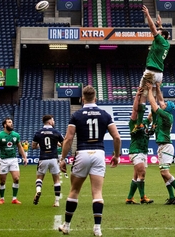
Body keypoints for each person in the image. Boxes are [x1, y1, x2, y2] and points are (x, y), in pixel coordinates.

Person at [57, 85, 121, 237]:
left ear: (82, 99)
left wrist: (62, 158)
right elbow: (117, 137)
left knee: (74, 190)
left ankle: (66, 226)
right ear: (96, 98)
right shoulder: (105, 114)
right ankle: (97, 229)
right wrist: (116, 155)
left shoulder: (77, 115)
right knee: (97, 192)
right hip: (99, 153)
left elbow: (68, 138)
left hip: (82, 153)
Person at [148, 82, 175, 205]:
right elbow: (159, 99)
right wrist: (157, 88)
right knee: (163, 173)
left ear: (167, 108)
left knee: (165, 172)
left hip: (166, 146)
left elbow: (154, 104)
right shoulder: (162, 114)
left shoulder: (167, 116)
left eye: (164, 104)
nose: (162, 103)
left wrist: (149, 90)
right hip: (161, 146)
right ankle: (171, 196)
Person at [0, 116, 29, 205]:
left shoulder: (16, 135)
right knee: (2, 181)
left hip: (13, 159)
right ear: (5, 125)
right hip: (3, 160)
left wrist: (24, 157)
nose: (11, 124)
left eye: (11, 122)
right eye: (9, 122)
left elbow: (19, 147)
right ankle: (2, 198)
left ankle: (14, 198)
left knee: (16, 178)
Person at [126, 86, 153, 205]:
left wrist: (151, 96)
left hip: (143, 151)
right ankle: (143, 197)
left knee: (137, 175)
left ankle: (130, 198)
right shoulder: (133, 123)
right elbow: (135, 110)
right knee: (142, 172)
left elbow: (153, 113)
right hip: (135, 150)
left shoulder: (146, 123)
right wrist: (138, 95)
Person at [32, 114, 64, 206]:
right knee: (56, 180)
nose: (54, 122)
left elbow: (33, 146)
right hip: (54, 158)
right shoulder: (56, 132)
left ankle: (38, 191)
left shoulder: (38, 133)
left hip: (43, 158)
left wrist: (41, 145)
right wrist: (57, 144)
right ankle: (57, 202)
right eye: (53, 120)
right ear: (49, 122)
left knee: (39, 178)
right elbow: (64, 143)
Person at [140, 5, 170, 92]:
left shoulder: (160, 40)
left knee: (142, 94)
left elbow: (152, 27)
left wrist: (147, 15)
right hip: (159, 73)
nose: (157, 32)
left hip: (151, 71)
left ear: (162, 36)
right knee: (154, 94)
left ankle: (141, 105)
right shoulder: (167, 43)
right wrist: (160, 25)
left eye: (159, 32)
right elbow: (163, 33)